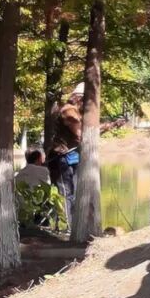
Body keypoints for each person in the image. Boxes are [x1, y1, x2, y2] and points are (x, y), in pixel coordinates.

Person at [47, 83, 84, 216]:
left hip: (72, 156)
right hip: (61, 157)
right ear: (79, 98)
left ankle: (73, 222)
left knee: (74, 192)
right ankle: (66, 224)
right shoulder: (69, 111)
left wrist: (110, 125)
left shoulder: (76, 111)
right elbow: (80, 134)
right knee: (66, 193)